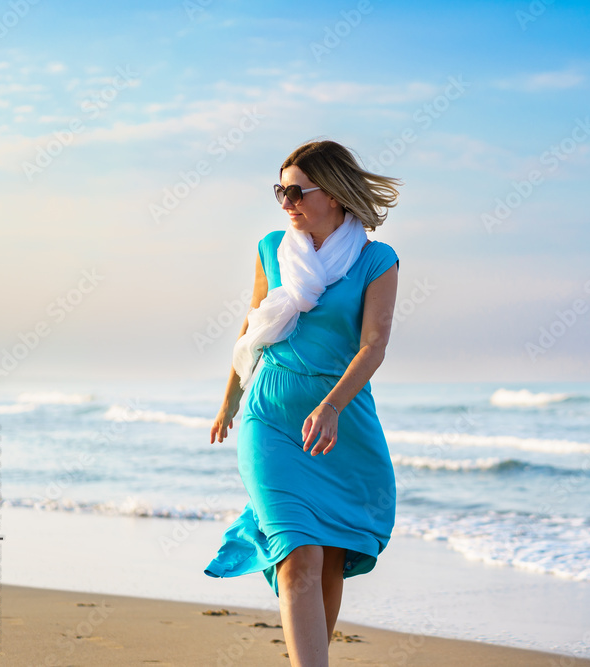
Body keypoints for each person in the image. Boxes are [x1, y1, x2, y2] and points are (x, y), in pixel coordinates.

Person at [204, 140, 401, 667]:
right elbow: (254, 327)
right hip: (270, 414)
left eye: (296, 191)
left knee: (330, 557)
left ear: (334, 195)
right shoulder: (273, 248)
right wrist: (229, 400)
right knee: (299, 551)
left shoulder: (375, 260)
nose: (285, 201)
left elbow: (373, 345)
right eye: (280, 190)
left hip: (342, 421)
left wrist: (333, 406)